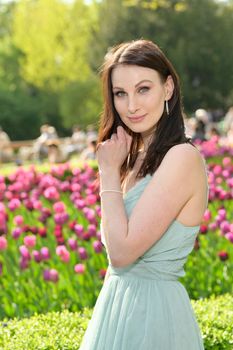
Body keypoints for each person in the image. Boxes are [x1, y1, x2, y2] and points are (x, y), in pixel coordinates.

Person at [79, 39, 208, 350]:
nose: (131, 106)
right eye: (120, 93)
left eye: (143, 89)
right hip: (114, 308)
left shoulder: (182, 158)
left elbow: (121, 253)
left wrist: (107, 173)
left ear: (168, 88)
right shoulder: (130, 158)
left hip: (155, 318)